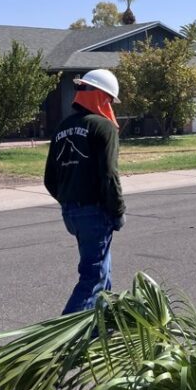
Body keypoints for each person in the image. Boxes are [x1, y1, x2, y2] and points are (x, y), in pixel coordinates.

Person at [44, 68, 126, 314]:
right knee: (93, 277)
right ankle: (62, 340)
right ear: (102, 97)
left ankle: (98, 328)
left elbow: (50, 179)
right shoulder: (103, 127)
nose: (111, 105)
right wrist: (117, 210)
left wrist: (70, 202)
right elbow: (109, 174)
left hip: (72, 213)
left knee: (102, 272)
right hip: (94, 213)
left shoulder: (62, 127)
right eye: (110, 100)